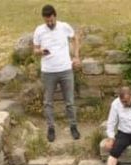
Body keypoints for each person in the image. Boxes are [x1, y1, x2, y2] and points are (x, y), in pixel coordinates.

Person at [32, 4, 81, 143]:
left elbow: (75, 38)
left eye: (51, 20)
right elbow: (35, 50)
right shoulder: (39, 30)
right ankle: (51, 128)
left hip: (66, 70)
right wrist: (40, 51)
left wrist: (76, 56)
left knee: (70, 102)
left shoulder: (64, 27)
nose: (49, 23)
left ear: (55, 16)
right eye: (47, 21)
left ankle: (73, 126)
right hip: (48, 72)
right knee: (48, 102)